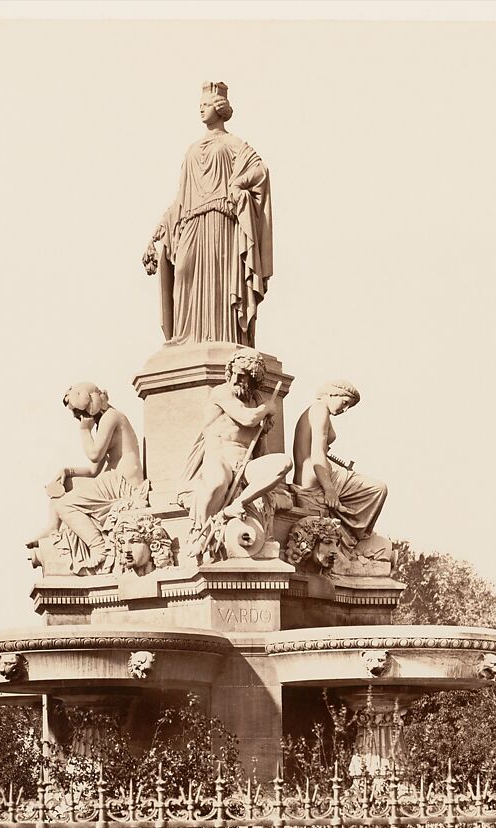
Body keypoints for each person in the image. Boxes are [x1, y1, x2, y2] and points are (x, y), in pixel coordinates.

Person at [143, 81, 272, 346]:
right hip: (191, 223)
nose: (201, 110)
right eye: (199, 105)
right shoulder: (191, 149)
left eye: (206, 105)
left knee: (220, 285)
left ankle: (223, 337)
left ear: (220, 107)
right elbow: (181, 196)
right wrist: (156, 232)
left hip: (221, 223)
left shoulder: (234, 144)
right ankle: (185, 338)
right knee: (184, 274)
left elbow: (260, 171)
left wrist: (237, 185)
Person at [178, 349, 290, 557]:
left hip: (245, 464)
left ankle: (239, 503)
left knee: (283, 463)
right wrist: (267, 408)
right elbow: (246, 419)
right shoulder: (221, 392)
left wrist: (264, 432)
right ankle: (200, 535)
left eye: (243, 375)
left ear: (253, 378)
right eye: (235, 373)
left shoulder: (256, 402)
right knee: (217, 482)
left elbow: (260, 451)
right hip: (218, 456)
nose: (237, 379)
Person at [28, 383, 147, 573]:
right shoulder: (105, 420)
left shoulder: (111, 417)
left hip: (123, 483)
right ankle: (53, 527)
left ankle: (98, 547)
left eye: (77, 412)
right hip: (113, 479)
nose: (77, 417)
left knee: (64, 505)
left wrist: (84, 431)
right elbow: (93, 470)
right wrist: (67, 471)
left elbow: (94, 455)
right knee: (64, 485)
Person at [291, 381, 390, 556]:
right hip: (317, 480)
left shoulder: (316, 411)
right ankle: (357, 541)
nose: (345, 410)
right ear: (332, 394)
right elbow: (316, 453)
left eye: (349, 407)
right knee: (378, 489)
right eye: (345, 403)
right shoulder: (320, 409)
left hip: (317, 476)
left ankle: (353, 539)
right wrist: (329, 489)